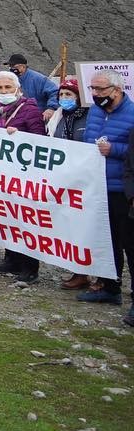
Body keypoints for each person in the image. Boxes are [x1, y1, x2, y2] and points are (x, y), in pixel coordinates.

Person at [0, 71, 45, 283]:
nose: (4, 92)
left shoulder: (30, 109)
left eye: (7, 87)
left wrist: (21, 137)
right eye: (0, 88)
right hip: (0, 174)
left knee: (25, 219)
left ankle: (30, 267)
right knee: (6, 216)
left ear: (18, 88)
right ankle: (12, 258)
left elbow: (40, 140)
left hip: (22, 175)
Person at [77, 70, 134, 311]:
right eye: (92, 89)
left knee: (129, 243)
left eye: (101, 90)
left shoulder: (132, 114)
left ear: (117, 90)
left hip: (122, 189)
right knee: (105, 241)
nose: (96, 94)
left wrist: (115, 150)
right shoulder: (96, 112)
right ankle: (109, 287)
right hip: (97, 186)